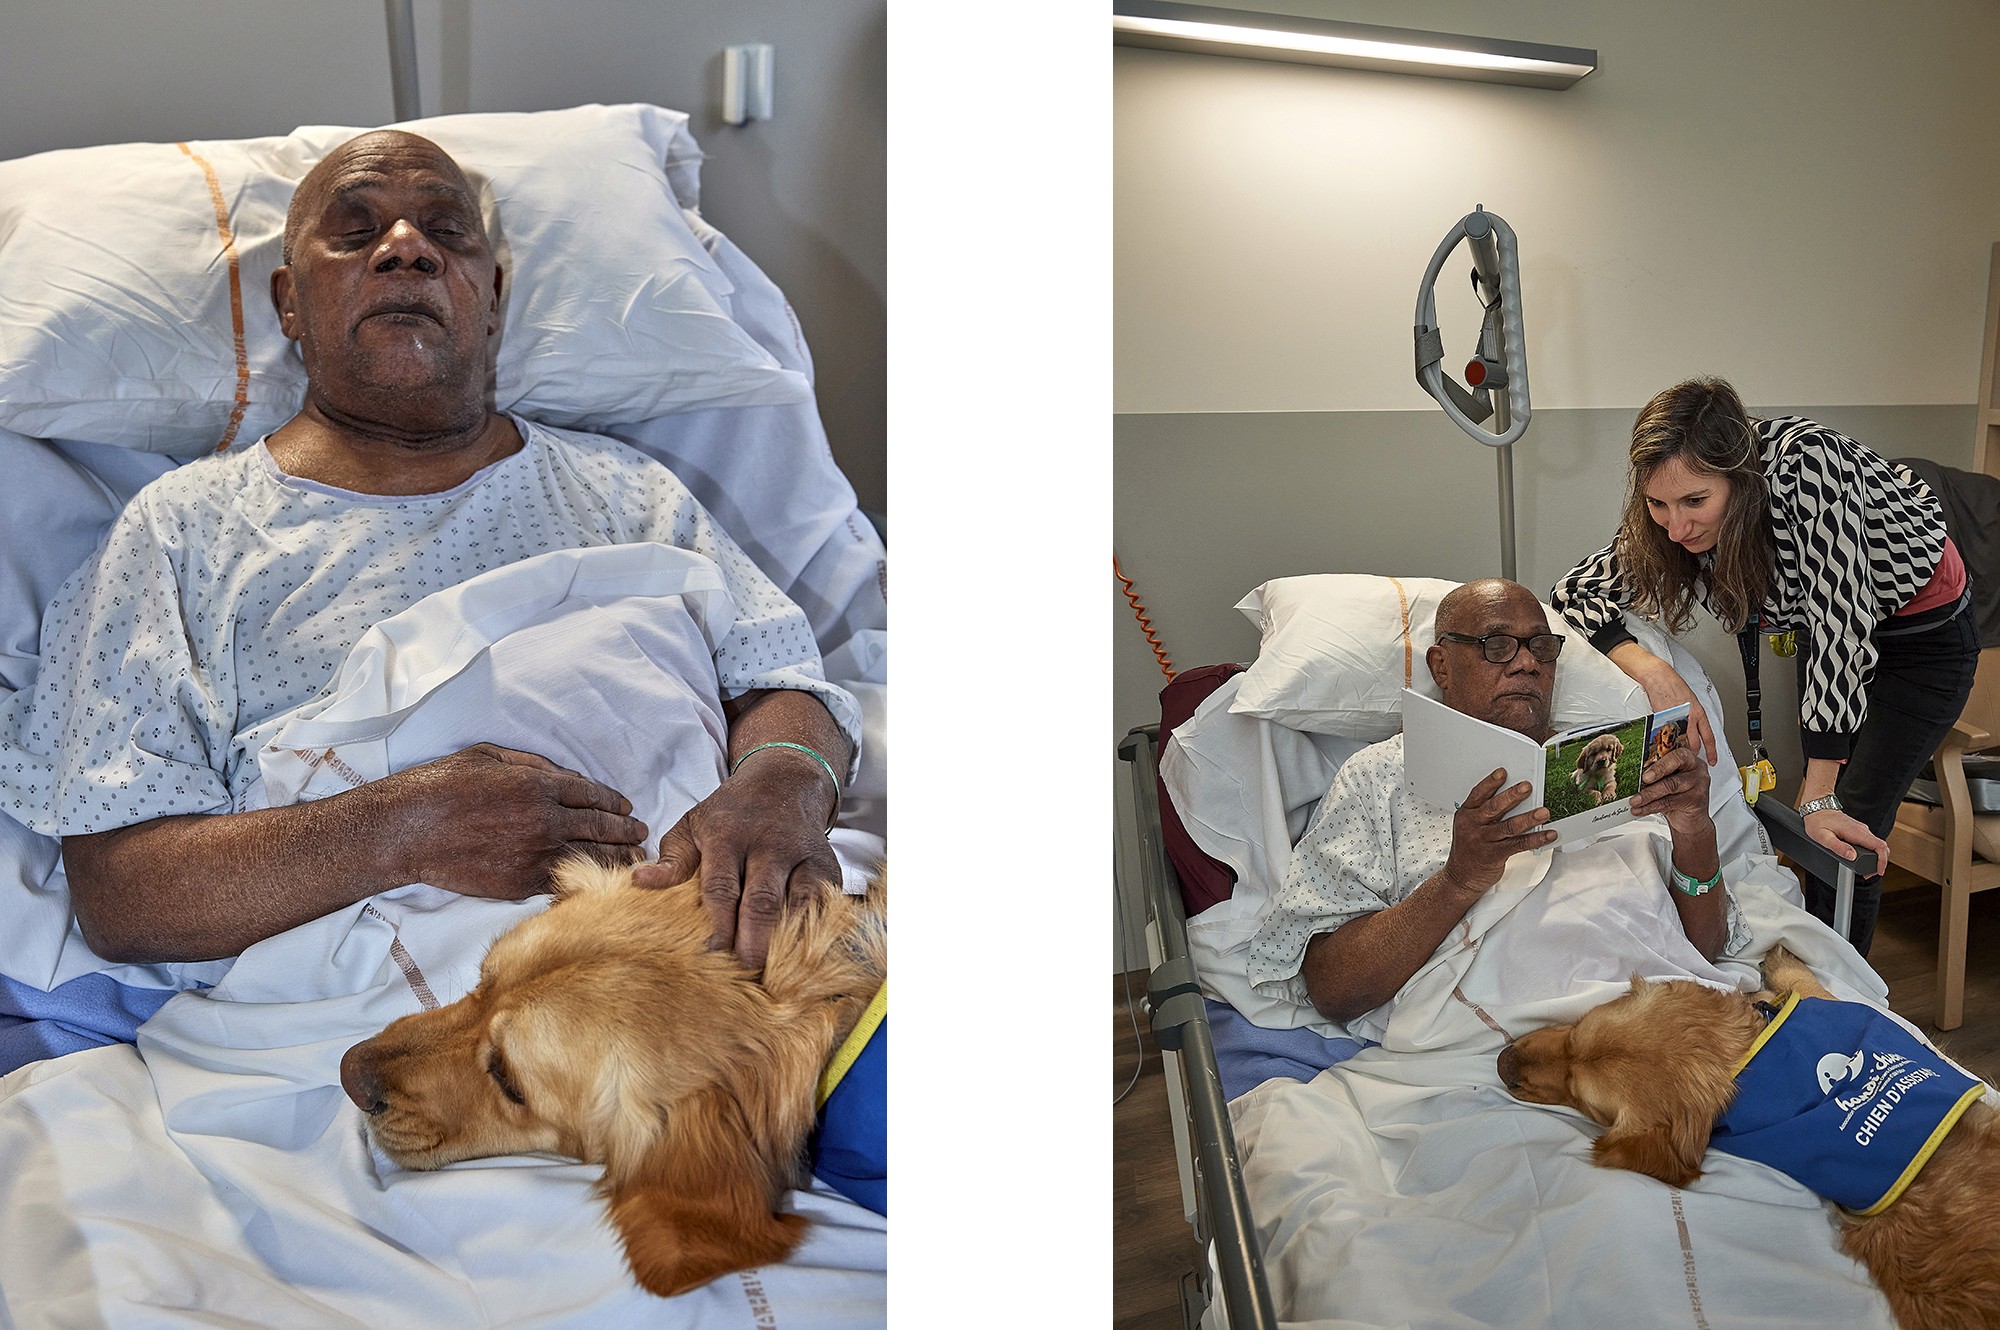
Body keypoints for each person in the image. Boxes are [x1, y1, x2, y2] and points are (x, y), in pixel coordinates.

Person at [0, 130, 859, 977]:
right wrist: (405, 827)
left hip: (695, 944)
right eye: (355, 230)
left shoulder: (626, 491)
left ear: (491, 296)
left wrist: (782, 786)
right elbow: (124, 895)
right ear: (289, 302)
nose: (405, 248)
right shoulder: (180, 530)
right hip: (400, 1011)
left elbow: (783, 679)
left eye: (446, 233)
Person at [1551, 377, 1979, 956]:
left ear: (1740, 478)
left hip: (1921, 641)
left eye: (1695, 502)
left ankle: (1838, 991)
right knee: (1820, 819)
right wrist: (1656, 672)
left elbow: (1840, 623)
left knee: (1844, 830)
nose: (1676, 529)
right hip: (1833, 628)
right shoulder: (1675, 513)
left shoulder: (1808, 463)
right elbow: (1575, 589)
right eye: (1657, 504)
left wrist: (1820, 796)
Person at [1246, 579, 1742, 1026]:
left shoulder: (1612, 756)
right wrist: (1458, 881)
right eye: (1497, 645)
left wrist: (1694, 828)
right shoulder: (1380, 776)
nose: (1527, 662)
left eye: (1542, 648)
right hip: (1512, 1046)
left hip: (1666, 1012)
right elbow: (1333, 991)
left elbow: (1703, 948)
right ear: (1440, 664)